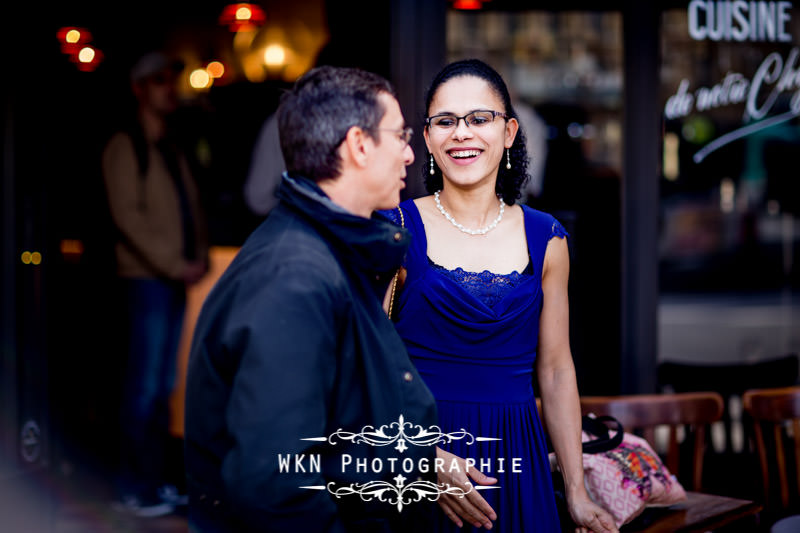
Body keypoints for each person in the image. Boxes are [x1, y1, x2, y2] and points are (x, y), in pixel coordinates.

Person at [184, 66, 438, 532]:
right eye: (400, 135)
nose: (409, 154)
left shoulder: (331, 249)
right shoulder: (295, 277)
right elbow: (275, 482)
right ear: (359, 145)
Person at [383, 59, 618, 533]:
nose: (461, 133)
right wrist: (420, 452)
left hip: (518, 457)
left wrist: (576, 489)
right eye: (445, 121)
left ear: (509, 131)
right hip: (420, 461)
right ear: (427, 139)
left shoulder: (547, 238)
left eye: (479, 119)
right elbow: (358, 365)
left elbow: (554, 371)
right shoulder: (395, 231)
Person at [102, 50, 209, 516]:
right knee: (145, 385)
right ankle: (133, 485)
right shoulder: (126, 145)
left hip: (170, 278)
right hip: (147, 279)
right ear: (140, 89)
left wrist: (198, 255)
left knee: (165, 384)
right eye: (161, 80)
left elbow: (189, 208)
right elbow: (128, 217)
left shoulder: (168, 145)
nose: (171, 87)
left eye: (172, 79)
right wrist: (174, 263)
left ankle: (152, 480)